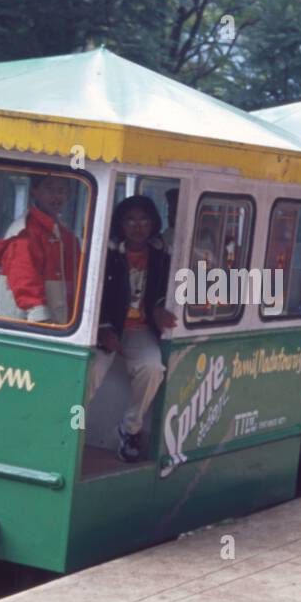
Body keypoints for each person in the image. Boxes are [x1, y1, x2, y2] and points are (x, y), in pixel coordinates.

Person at [88, 195, 177, 462]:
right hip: (104, 327)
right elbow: (92, 292)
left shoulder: (161, 254)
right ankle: (71, 430)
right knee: (88, 373)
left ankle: (130, 429)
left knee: (152, 369)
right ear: (120, 224)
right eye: (130, 220)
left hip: (139, 329)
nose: (138, 226)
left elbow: (161, 291)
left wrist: (160, 308)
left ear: (153, 223)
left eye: (144, 220)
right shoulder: (106, 251)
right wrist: (103, 327)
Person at [0, 174, 81, 324]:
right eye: (50, 189)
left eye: (62, 190)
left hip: (62, 325)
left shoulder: (67, 236)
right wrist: (40, 316)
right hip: (27, 329)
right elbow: (24, 281)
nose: (56, 196)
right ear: (34, 191)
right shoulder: (24, 233)